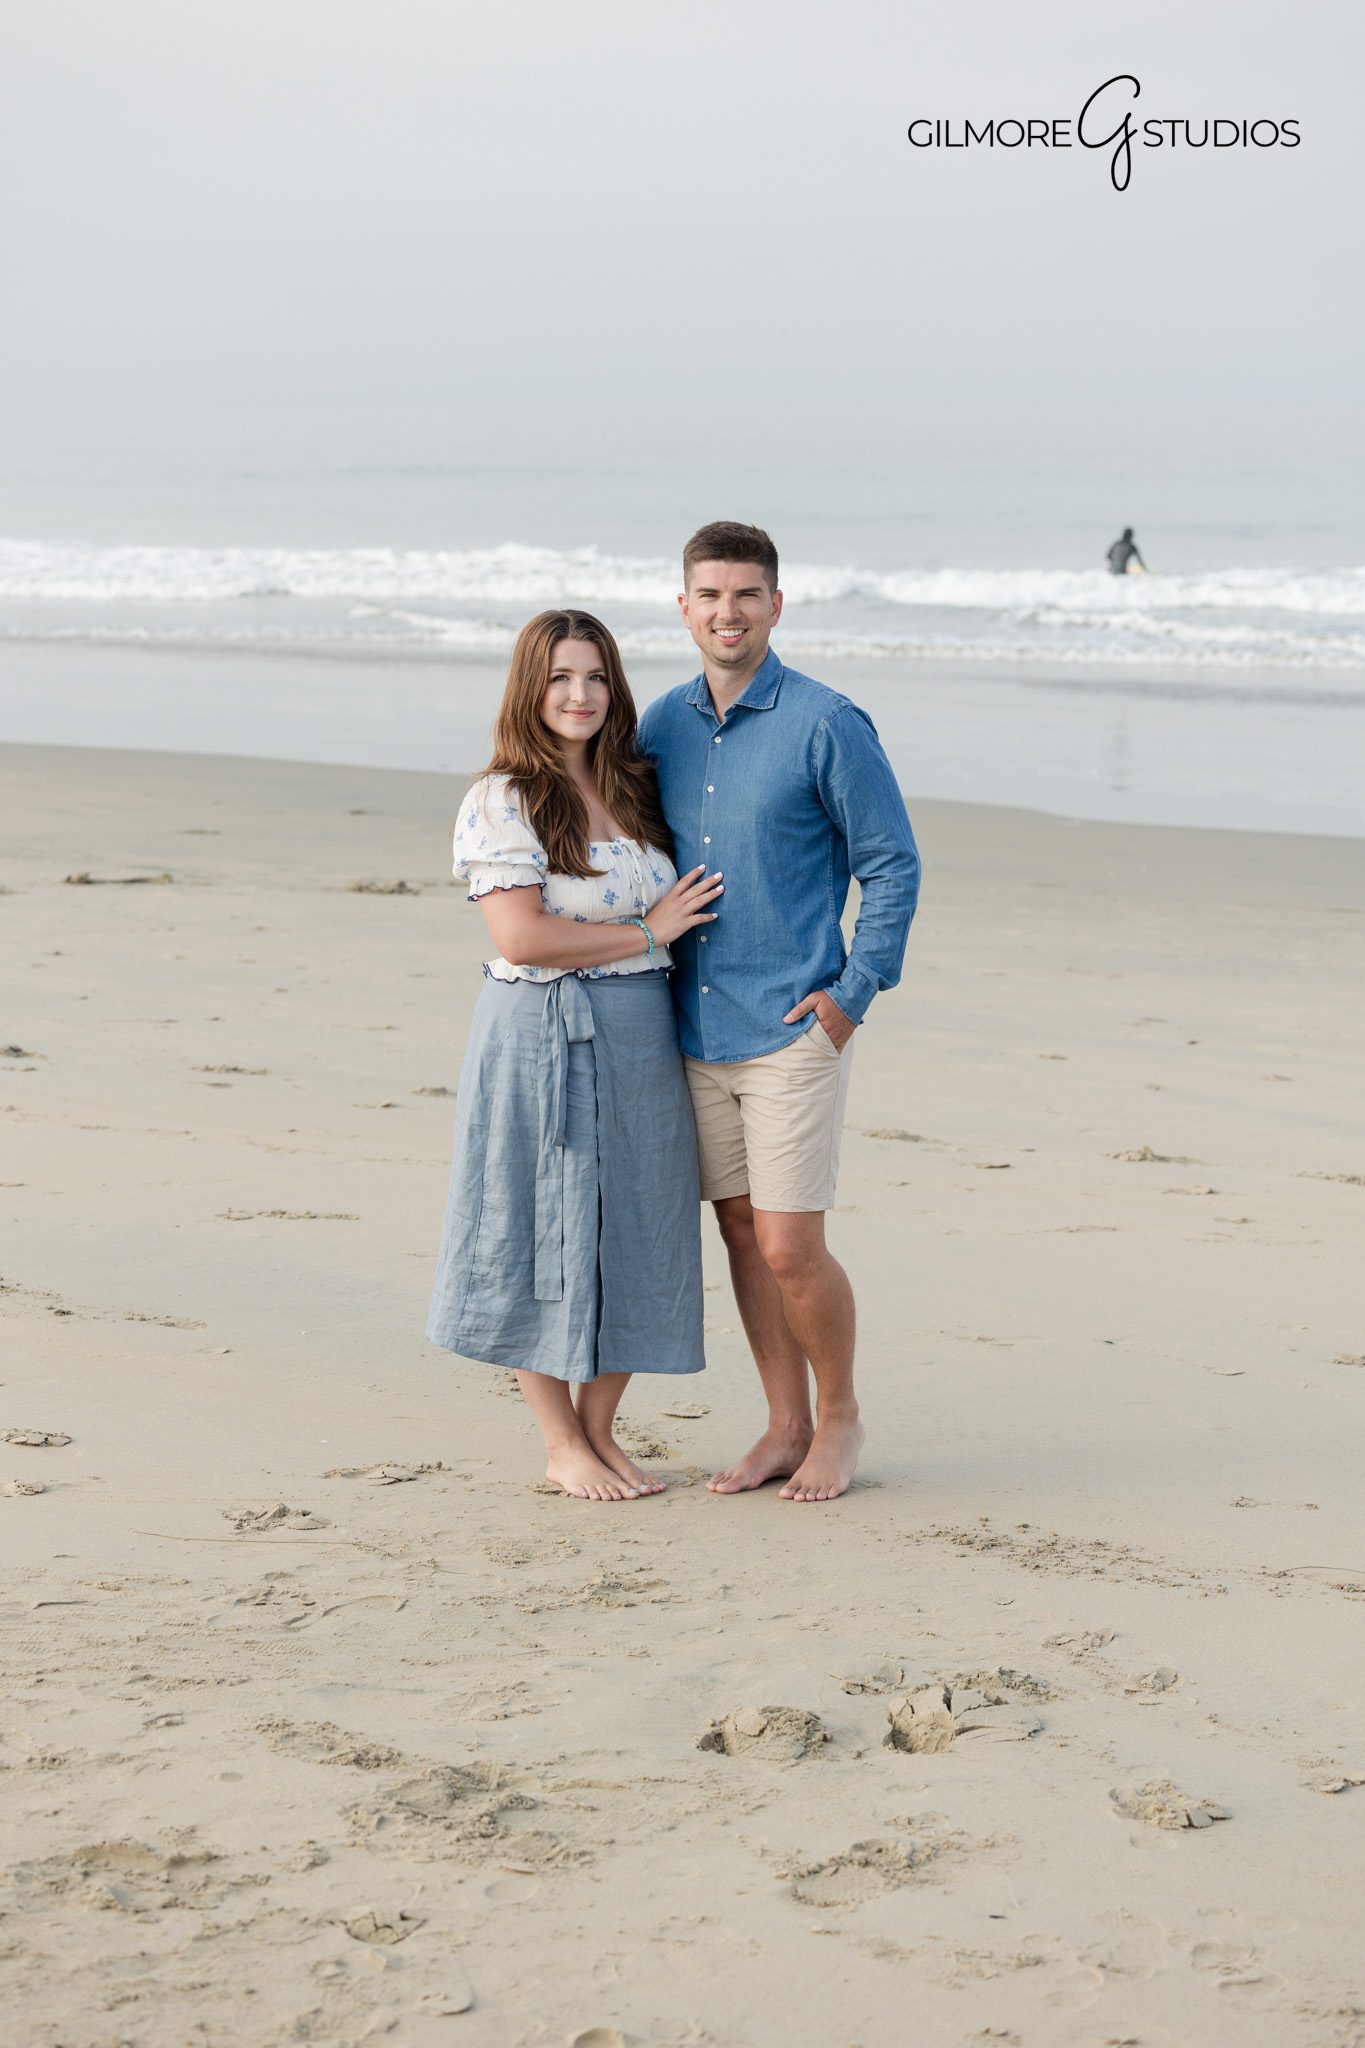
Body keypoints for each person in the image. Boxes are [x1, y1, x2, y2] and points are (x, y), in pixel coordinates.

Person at [637, 522, 920, 1504]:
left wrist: (854, 994)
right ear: (683, 606)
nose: (727, 611)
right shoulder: (659, 726)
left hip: (795, 1026)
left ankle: (838, 1417)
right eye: (709, 594)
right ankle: (783, 1423)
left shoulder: (826, 721)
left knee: (792, 1243)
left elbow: (891, 862)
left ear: (776, 605)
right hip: (692, 1028)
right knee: (742, 1234)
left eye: (746, 594)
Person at [426, 609, 724, 1502]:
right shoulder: (503, 797)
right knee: (541, 1223)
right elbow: (520, 938)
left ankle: (598, 1431)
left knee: (643, 1219)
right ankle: (559, 1442)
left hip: (639, 1031)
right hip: (539, 1031)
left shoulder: (635, 789)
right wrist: (646, 928)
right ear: (530, 686)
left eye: (595, 677)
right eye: (559, 677)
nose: (579, 695)